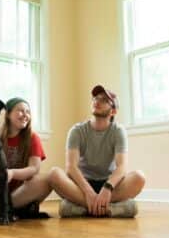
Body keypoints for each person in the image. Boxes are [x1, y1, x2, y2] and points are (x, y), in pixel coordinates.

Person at [49, 85, 145, 218]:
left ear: (113, 111)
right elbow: (71, 167)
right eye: (95, 98)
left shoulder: (118, 131)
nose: (97, 101)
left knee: (139, 177)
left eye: (104, 100)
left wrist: (107, 189)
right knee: (54, 174)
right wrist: (88, 192)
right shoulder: (77, 131)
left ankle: (81, 208)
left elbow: (122, 167)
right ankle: (112, 208)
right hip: (82, 184)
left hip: (109, 184)